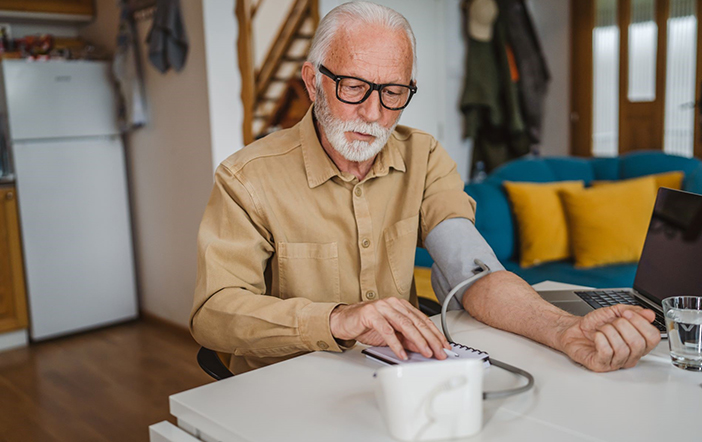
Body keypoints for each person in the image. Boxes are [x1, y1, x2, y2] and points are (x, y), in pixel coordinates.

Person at [191, 1, 660, 374]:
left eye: (393, 92)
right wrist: (338, 319)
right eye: (353, 87)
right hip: (285, 389)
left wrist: (565, 330)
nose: (374, 114)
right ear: (313, 82)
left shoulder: (424, 155)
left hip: (399, 376)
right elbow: (213, 313)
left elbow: (471, 270)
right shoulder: (246, 178)